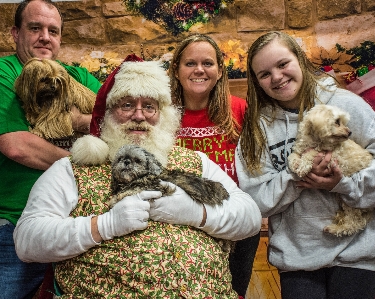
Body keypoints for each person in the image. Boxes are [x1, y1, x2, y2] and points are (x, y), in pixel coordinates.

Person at [13, 54, 262, 298]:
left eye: (149, 106)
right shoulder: (72, 169)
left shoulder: (195, 161)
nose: (139, 115)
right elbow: (27, 240)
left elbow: (250, 217)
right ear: (107, 113)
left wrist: (198, 214)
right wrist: (104, 225)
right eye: (127, 104)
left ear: (162, 114)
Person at [0, 0, 101, 297]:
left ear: (60, 38)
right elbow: (17, 146)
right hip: (9, 226)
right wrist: (87, 166)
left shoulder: (78, 77)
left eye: (53, 30)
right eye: (35, 28)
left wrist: (77, 119)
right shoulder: (1, 72)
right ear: (15, 34)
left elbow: (115, 117)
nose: (45, 36)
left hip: (71, 226)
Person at [235, 31, 375, 299]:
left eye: (282, 64)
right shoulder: (257, 130)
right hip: (298, 258)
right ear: (256, 82)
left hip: (359, 252)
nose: (276, 77)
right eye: (264, 74)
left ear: (299, 60)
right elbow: (256, 201)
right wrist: (295, 177)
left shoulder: (345, 106)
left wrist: (343, 184)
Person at [168, 33, 260, 299]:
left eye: (208, 63)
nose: (199, 70)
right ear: (176, 70)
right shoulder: (161, 114)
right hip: (184, 225)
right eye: (190, 63)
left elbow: (258, 164)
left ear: (220, 70)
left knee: (234, 293)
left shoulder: (240, 109)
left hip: (235, 221)